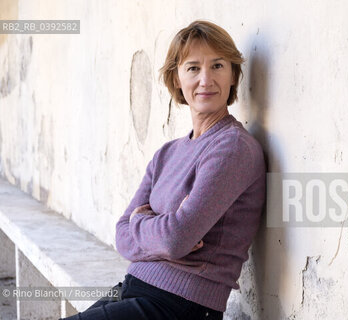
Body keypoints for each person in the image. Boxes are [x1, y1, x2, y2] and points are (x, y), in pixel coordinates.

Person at [61, 20, 266, 320]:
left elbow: (176, 239)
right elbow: (122, 235)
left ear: (234, 74)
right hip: (133, 286)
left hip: (180, 305)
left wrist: (144, 222)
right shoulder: (167, 154)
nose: (206, 79)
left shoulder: (232, 148)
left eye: (218, 66)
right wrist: (161, 226)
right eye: (193, 68)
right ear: (177, 79)